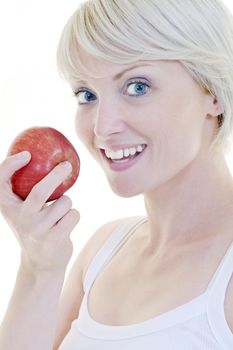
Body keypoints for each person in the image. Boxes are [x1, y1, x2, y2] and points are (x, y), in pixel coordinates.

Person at [0, 0, 233, 349]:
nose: (102, 127)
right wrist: (39, 269)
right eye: (87, 94)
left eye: (137, 87)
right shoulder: (103, 251)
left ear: (212, 91)